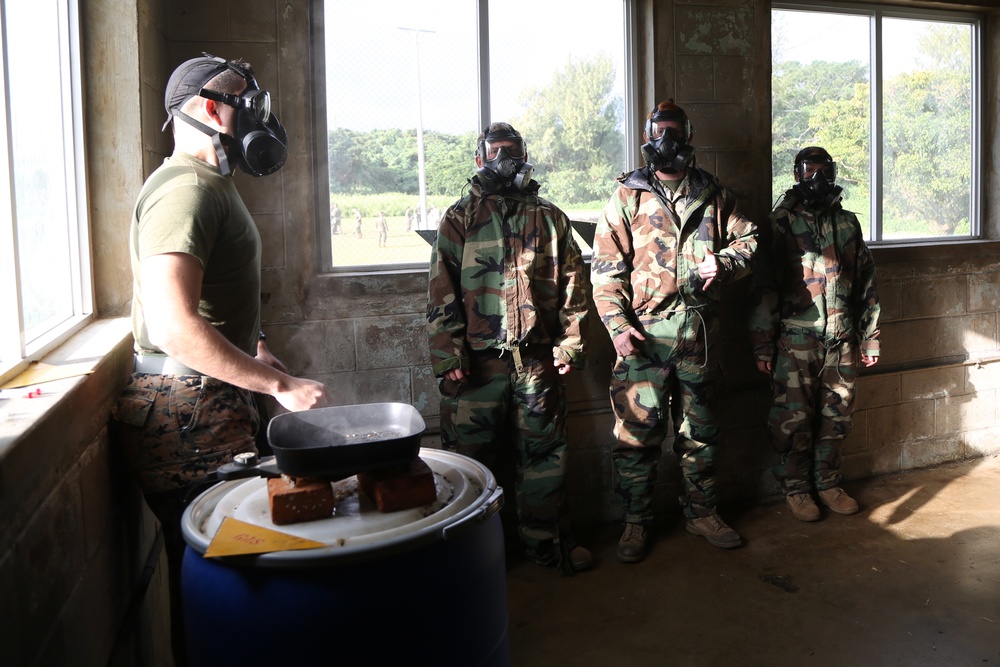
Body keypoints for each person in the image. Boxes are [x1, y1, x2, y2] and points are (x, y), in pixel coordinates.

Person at [109, 54, 333, 665]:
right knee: (231, 573)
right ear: (212, 108)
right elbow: (174, 327)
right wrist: (277, 387)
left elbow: (209, 309)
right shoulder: (184, 190)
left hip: (204, 402)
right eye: (248, 104)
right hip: (187, 412)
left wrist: (260, 354)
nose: (261, 118)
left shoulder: (209, 185)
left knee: (231, 564)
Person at [590, 100, 757, 561]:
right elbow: (605, 272)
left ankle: (702, 512)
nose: (668, 141)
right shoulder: (627, 197)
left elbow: (751, 240)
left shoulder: (713, 194)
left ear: (688, 135)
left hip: (699, 339)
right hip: (643, 341)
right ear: (648, 137)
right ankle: (636, 522)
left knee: (700, 433)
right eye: (660, 131)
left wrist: (724, 262)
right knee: (637, 437)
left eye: (676, 132)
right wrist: (618, 328)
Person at [427, 122, 593, 574]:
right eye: (495, 151)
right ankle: (470, 559)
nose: (504, 159)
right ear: (480, 159)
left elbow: (574, 286)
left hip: (537, 364)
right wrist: (448, 355)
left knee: (545, 459)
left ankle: (549, 545)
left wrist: (569, 345)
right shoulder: (459, 217)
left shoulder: (550, 217)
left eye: (512, 151)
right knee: (469, 465)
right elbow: (440, 290)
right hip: (477, 368)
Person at [750, 146, 880, 522]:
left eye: (824, 171)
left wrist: (870, 337)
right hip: (795, 341)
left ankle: (828, 483)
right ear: (796, 174)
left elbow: (867, 285)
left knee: (836, 417)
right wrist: (761, 344)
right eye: (809, 171)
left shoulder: (847, 223)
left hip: (842, 341)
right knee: (793, 419)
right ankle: (797, 489)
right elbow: (763, 287)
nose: (817, 179)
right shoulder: (781, 223)